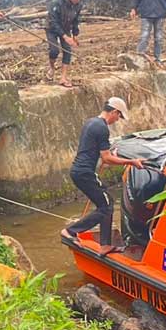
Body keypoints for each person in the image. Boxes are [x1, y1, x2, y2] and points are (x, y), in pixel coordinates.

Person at [60, 98, 142, 255]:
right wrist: (131, 161)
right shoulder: (102, 128)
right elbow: (107, 158)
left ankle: (105, 245)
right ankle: (70, 231)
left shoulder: (91, 122)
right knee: (107, 205)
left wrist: (109, 157)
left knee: (105, 204)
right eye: (119, 116)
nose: (117, 120)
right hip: (85, 173)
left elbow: (98, 152)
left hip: (78, 171)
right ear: (114, 112)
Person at [45, 0, 84, 88]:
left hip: (66, 27)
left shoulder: (78, 5)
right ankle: (52, 68)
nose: (78, 1)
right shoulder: (56, 3)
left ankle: (63, 77)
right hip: (52, 29)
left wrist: (75, 34)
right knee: (54, 51)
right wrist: (65, 37)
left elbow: (76, 20)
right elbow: (53, 22)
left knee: (67, 51)